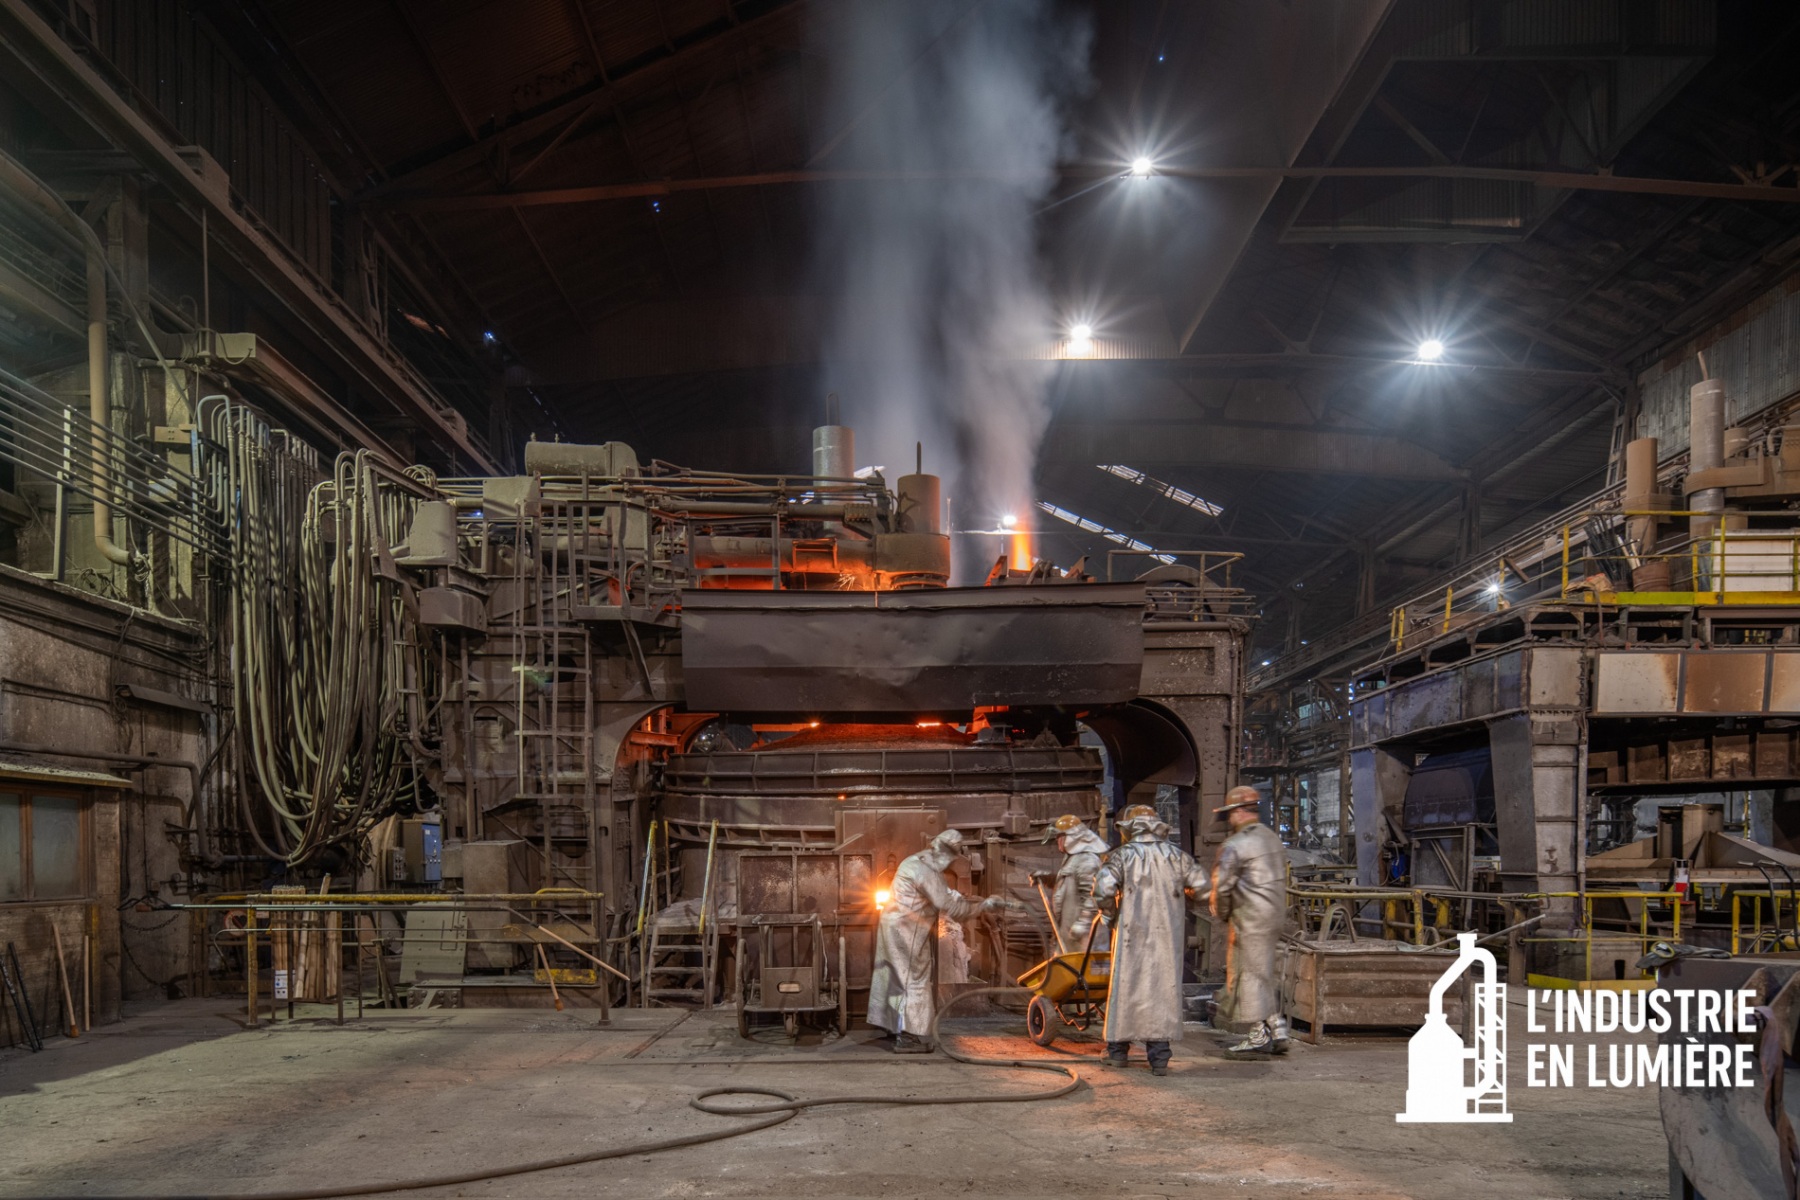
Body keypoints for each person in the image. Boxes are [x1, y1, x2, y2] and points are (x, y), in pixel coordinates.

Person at [867, 828, 1015, 1053]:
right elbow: (948, 905)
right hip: (907, 931)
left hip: (893, 926)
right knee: (913, 979)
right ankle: (911, 1037)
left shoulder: (916, 861)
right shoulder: (927, 870)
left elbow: (942, 892)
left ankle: (893, 1026)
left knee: (894, 976)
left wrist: (967, 899)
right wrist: (982, 907)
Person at [1091, 803, 1208, 1076]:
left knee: (1125, 988)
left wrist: (1109, 914)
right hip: (1167, 935)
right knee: (1161, 991)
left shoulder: (1122, 856)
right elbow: (1202, 887)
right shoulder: (1177, 856)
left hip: (1130, 935)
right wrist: (1182, 895)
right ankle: (1159, 1058)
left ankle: (1117, 1053)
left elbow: (1103, 889)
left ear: (1129, 829)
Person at [1210, 786, 1290, 1055]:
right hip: (1274, 915)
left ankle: (1258, 1037)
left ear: (1238, 811)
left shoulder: (1235, 845)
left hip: (1249, 917)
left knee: (1249, 975)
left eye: (1230, 814)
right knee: (1264, 971)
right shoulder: (1272, 838)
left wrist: (1222, 914)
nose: (1229, 820)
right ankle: (1277, 1028)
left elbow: (1222, 888)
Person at [1043, 813, 1110, 948]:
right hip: (1071, 932)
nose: (1057, 841)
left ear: (1071, 838)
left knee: (1082, 962)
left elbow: (1093, 895)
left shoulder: (1087, 861)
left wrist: (1083, 923)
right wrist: (1046, 878)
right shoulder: (1073, 858)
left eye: (1059, 837)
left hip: (1085, 937)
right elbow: (1070, 884)